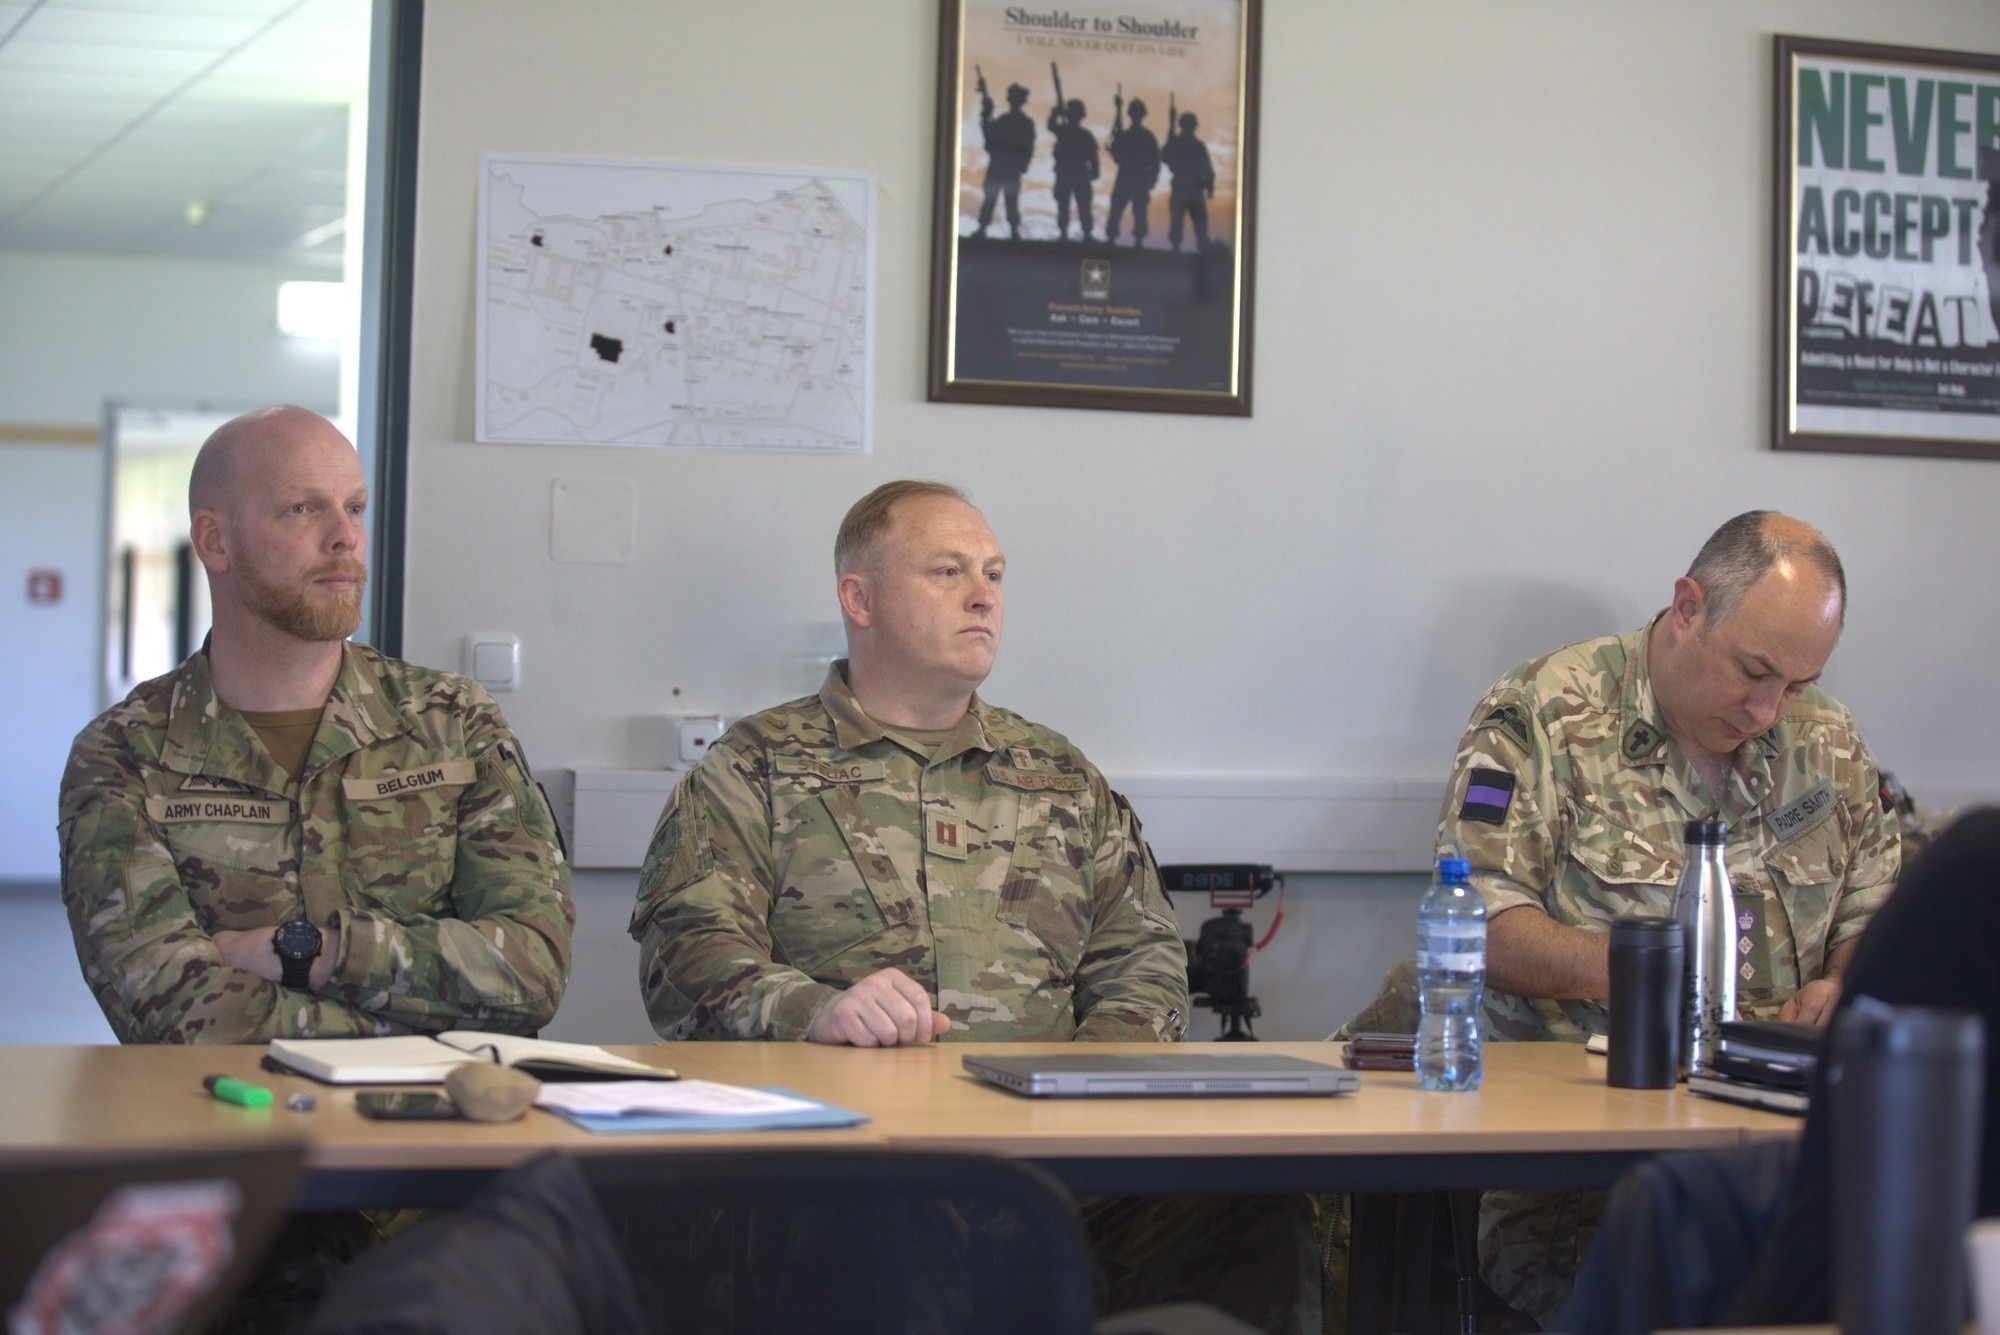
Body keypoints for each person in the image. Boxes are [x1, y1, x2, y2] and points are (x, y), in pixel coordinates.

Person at [630, 481, 1319, 1333]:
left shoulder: (1058, 774)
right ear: (859, 597)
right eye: (947, 570)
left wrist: (1090, 1085)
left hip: (1058, 1162)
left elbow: (1142, 958)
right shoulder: (753, 769)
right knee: (884, 1232)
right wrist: (818, 1009)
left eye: (993, 572)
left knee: (1255, 1211)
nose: (983, 594)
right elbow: (687, 958)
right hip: (848, 1160)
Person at [1436, 510, 1899, 1330]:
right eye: (1753, 671)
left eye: (1793, 684)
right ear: (1688, 607)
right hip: (1586, 1168)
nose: (1767, 709)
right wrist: (1629, 971)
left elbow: (1878, 904)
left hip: (1785, 1160)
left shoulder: (1824, 739)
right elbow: (1478, 918)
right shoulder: (1543, 714)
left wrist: (1845, 981)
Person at [59, 405, 574, 1045]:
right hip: (234, 1129)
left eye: (354, 508)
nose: (345, 538)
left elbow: (532, 971)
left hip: (432, 1132)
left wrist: (309, 953)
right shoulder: (125, 753)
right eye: (303, 509)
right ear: (215, 541)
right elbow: (166, 1008)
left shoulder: (452, 721)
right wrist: (411, 1012)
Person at [977, 82, 1035, 241]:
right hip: (999, 165)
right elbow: (990, 136)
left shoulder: (1024, 123)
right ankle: (983, 228)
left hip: (1009, 167)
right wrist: (986, 114)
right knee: (991, 198)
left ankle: (1013, 230)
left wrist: (1024, 163)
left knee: (1010, 201)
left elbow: (1028, 146)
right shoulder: (1006, 121)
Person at [1106, 94, 1160, 247]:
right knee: (1119, 208)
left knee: (1139, 210)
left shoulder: (1145, 136)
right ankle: (1114, 238)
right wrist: (1117, 114)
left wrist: (1152, 178)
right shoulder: (1130, 135)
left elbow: (1155, 160)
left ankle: (1136, 239)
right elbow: (1115, 151)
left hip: (1137, 176)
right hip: (1128, 175)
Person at [1047, 97, 1100, 242]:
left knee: (1083, 204)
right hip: (1066, 172)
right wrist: (1055, 113)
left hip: (1079, 173)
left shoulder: (1083, 135)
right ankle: (1064, 233)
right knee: (1064, 203)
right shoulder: (1064, 131)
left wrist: (1095, 170)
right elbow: (1051, 125)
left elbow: (1092, 155)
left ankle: (1086, 233)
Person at [1161, 110, 1214, 252]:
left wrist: (1209, 187)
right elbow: (1165, 157)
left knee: (1199, 223)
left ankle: (1200, 248)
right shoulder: (1179, 143)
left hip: (1194, 187)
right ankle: (1176, 246)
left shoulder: (1197, 145)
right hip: (1182, 186)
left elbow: (1207, 169)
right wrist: (1170, 131)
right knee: (1177, 220)